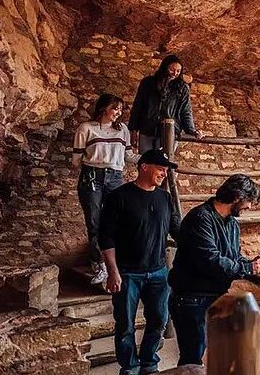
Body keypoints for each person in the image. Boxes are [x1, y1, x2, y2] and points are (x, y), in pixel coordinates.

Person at [168, 174, 260, 366]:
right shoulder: (200, 218)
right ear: (237, 197)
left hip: (214, 297)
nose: (250, 207)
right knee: (192, 360)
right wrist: (248, 267)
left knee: (217, 354)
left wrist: (254, 263)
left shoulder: (231, 223)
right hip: (191, 299)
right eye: (249, 202)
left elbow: (233, 257)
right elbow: (210, 261)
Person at [99, 149, 181, 375]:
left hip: (158, 272)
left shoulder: (165, 197)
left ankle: (149, 362)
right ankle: (130, 367)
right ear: (144, 166)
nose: (164, 174)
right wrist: (112, 271)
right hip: (127, 273)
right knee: (125, 324)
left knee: (159, 320)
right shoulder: (119, 197)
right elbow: (105, 237)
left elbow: (177, 230)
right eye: (161, 168)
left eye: (166, 170)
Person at [73, 93, 139, 285]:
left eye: (120, 109)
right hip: (92, 175)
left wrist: (147, 158)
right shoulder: (86, 128)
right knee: (94, 221)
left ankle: (115, 264)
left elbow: (128, 155)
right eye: (115, 108)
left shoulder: (123, 130)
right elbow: (76, 160)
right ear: (103, 108)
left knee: (116, 220)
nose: (118, 113)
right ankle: (99, 264)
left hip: (115, 176)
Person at [128, 54, 204, 154]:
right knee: (146, 161)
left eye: (178, 71)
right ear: (165, 67)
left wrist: (192, 130)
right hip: (147, 128)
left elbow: (186, 111)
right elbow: (138, 106)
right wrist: (133, 129)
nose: (174, 73)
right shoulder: (148, 83)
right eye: (172, 69)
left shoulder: (182, 88)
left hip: (169, 132)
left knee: (165, 163)